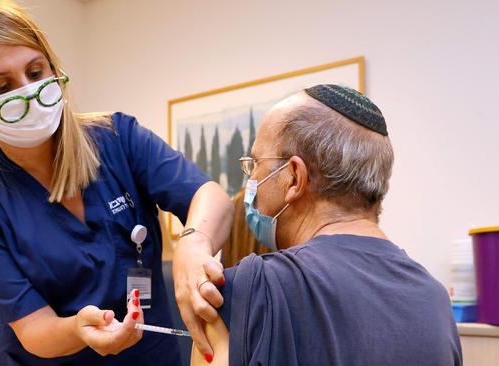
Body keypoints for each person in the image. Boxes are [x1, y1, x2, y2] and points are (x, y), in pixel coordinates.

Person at [0, 1, 233, 364]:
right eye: (2, 87)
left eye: (35, 71)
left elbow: (210, 196)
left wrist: (194, 242)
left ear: (54, 69)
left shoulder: (117, 139)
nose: (28, 92)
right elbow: (34, 330)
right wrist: (78, 328)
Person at [192, 85, 462, 365]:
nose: (252, 181)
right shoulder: (435, 300)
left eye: (256, 163)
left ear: (294, 177)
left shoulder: (247, 291)